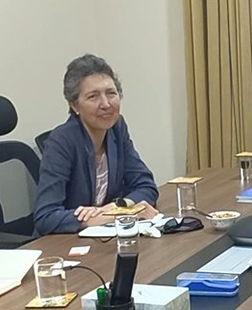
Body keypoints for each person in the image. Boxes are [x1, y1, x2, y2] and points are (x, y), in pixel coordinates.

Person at [33, 54, 159, 234]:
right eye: (93, 96)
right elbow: (45, 217)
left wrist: (119, 207)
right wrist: (109, 217)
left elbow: (146, 186)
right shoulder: (61, 142)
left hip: (106, 238)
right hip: (63, 242)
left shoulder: (117, 128)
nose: (106, 104)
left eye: (111, 93)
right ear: (75, 106)